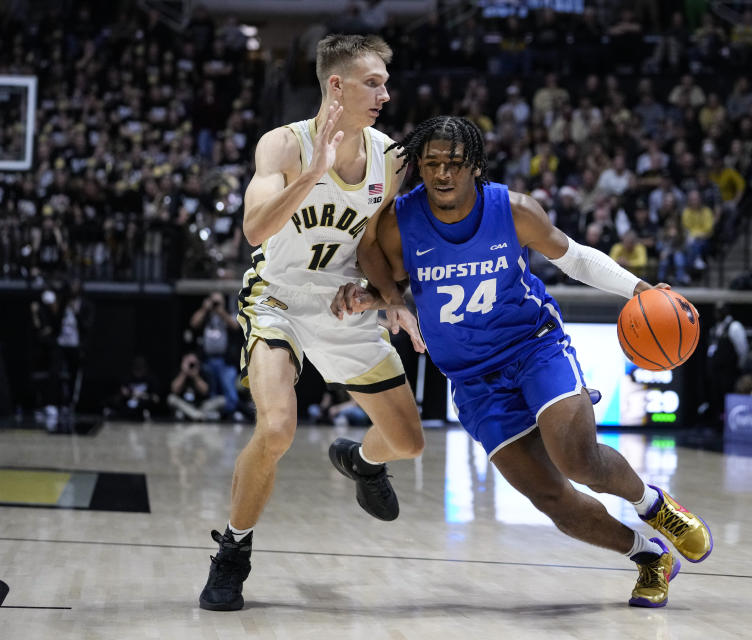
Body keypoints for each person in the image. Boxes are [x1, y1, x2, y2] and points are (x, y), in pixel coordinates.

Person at [337, 116, 713, 608]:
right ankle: (649, 557)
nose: (443, 174)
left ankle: (653, 505)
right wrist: (381, 297)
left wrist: (639, 289)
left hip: (533, 347)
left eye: (454, 163)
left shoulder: (512, 210)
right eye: (431, 164)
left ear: (474, 166)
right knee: (551, 499)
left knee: (578, 459)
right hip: (472, 380)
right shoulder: (400, 223)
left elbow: (573, 257)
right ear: (420, 169)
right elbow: (374, 261)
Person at [199, 34, 426, 612]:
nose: (384, 92)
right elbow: (254, 230)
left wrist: (391, 296)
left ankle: (361, 461)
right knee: (276, 428)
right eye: (373, 82)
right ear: (336, 85)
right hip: (278, 297)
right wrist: (312, 174)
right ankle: (234, 552)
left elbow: (371, 242)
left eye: (384, 81)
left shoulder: (389, 158)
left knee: (408, 441)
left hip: (343, 302)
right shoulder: (283, 145)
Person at [190, 292, 243, 420]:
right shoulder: (205, 316)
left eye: (218, 302)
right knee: (211, 393)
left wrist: (221, 311)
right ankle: (214, 414)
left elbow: (235, 326)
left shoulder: (227, 313)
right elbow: (193, 323)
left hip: (225, 362)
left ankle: (226, 413)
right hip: (207, 361)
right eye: (213, 302)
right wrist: (205, 309)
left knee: (230, 394)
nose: (215, 305)